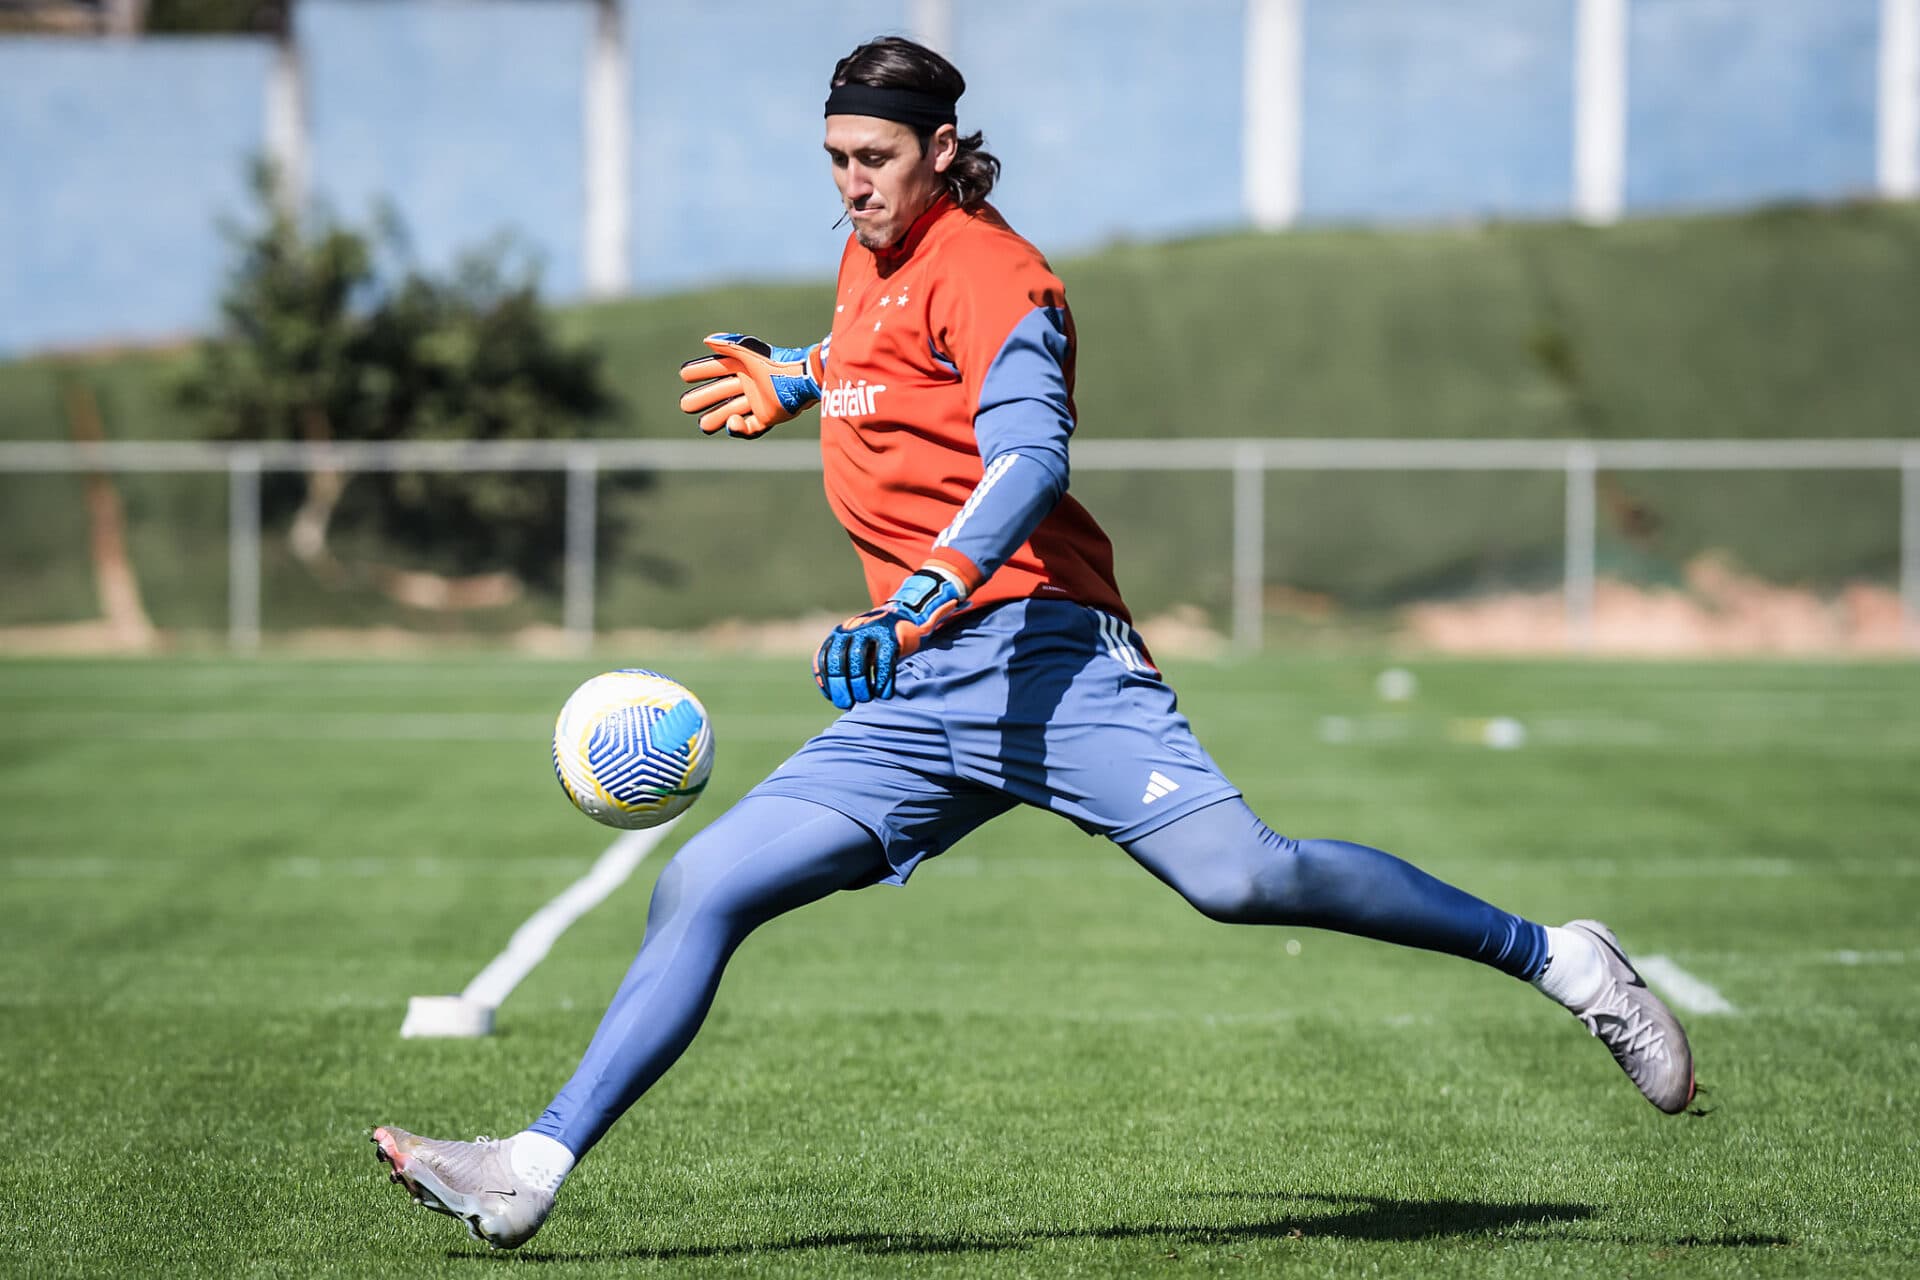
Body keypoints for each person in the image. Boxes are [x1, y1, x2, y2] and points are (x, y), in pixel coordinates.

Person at [372, 35, 1695, 1251]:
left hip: (1048, 659)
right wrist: (798, 371)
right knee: (702, 886)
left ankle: (1563, 958)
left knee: (1240, 880)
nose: (852, 186)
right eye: (835, 160)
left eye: (876, 160)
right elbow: (879, 357)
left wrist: (924, 591)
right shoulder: (869, 259)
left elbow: (1028, 450)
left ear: (943, 148)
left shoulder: (1008, 276)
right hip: (922, 690)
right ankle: (527, 1171)